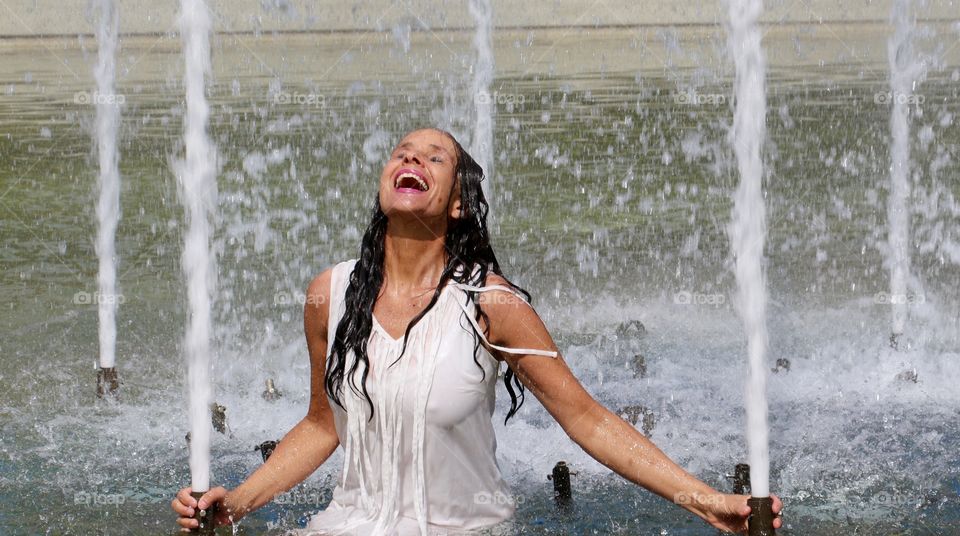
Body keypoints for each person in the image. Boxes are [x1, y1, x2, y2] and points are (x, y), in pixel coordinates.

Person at [172, 128, 782, 534]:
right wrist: (236, 506)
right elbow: (322, 423)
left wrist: (706, 501)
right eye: (402, 152)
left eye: (433, 157)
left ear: (459, 201)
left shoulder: (490, 303)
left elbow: (586, 418)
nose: (411, 159)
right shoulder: (330, 293)